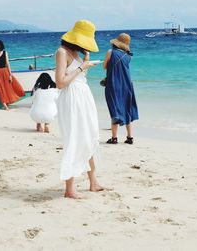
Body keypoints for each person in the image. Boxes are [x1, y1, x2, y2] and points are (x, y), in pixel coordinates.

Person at [55, 20, 106, 199]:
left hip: (83, 98)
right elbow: (60, 83)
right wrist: (81, 67)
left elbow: (76, 77)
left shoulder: (74, 53)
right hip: (72, 100)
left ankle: (93, 182)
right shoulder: (62, 52)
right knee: (75, 139)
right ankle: (69, 189)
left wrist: (85, 63)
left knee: (89, 137)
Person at [103, 33, 139, 144]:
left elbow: (105, 66)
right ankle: (129, 137)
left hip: (114, 84)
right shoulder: (128, 56)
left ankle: (114, 138)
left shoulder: (110, 52)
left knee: (115, 109)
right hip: (127, 85)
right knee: (127, 109)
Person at [0, 40, 25, 110]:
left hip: (5, 72)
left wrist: (10, 75)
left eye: (0, 47)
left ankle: (8, 103)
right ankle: (5, 105)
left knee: (9, 88)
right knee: (0, 89)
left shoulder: (5, 53)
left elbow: (8, 64)